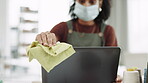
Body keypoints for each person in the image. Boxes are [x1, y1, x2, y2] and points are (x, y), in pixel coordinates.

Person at [36, 0, 121, 82]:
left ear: (100, 3)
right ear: (75, 2)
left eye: (92, 2)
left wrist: (113, 76)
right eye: (81, 1)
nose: (86, 5)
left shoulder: (108, 31)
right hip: (67, 80)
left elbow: (110, 66)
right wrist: (45, 39)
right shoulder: (63, 27)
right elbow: (47, 44)